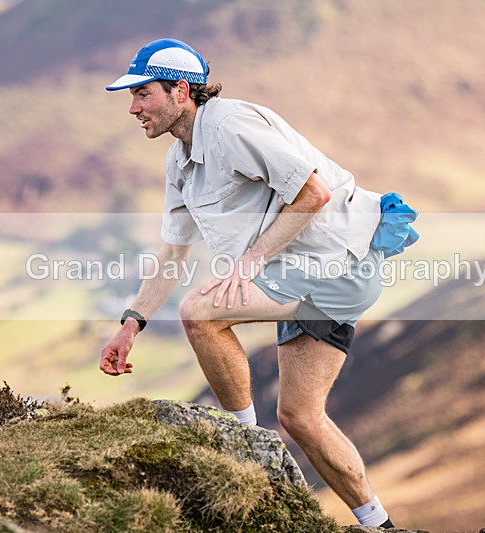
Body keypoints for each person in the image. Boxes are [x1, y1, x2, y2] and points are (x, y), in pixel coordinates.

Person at [100, 38, 414, 529]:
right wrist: (130, 325)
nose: (133, 108)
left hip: (337, 266)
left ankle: (245, 448)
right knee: (301, 417)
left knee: (199, 312)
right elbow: (173, 254)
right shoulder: (179, 160)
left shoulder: (230, 125)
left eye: (143, 94)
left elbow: (313, 193)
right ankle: (379, 525)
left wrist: (249, 263)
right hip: (301, 270)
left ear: (180, 90)